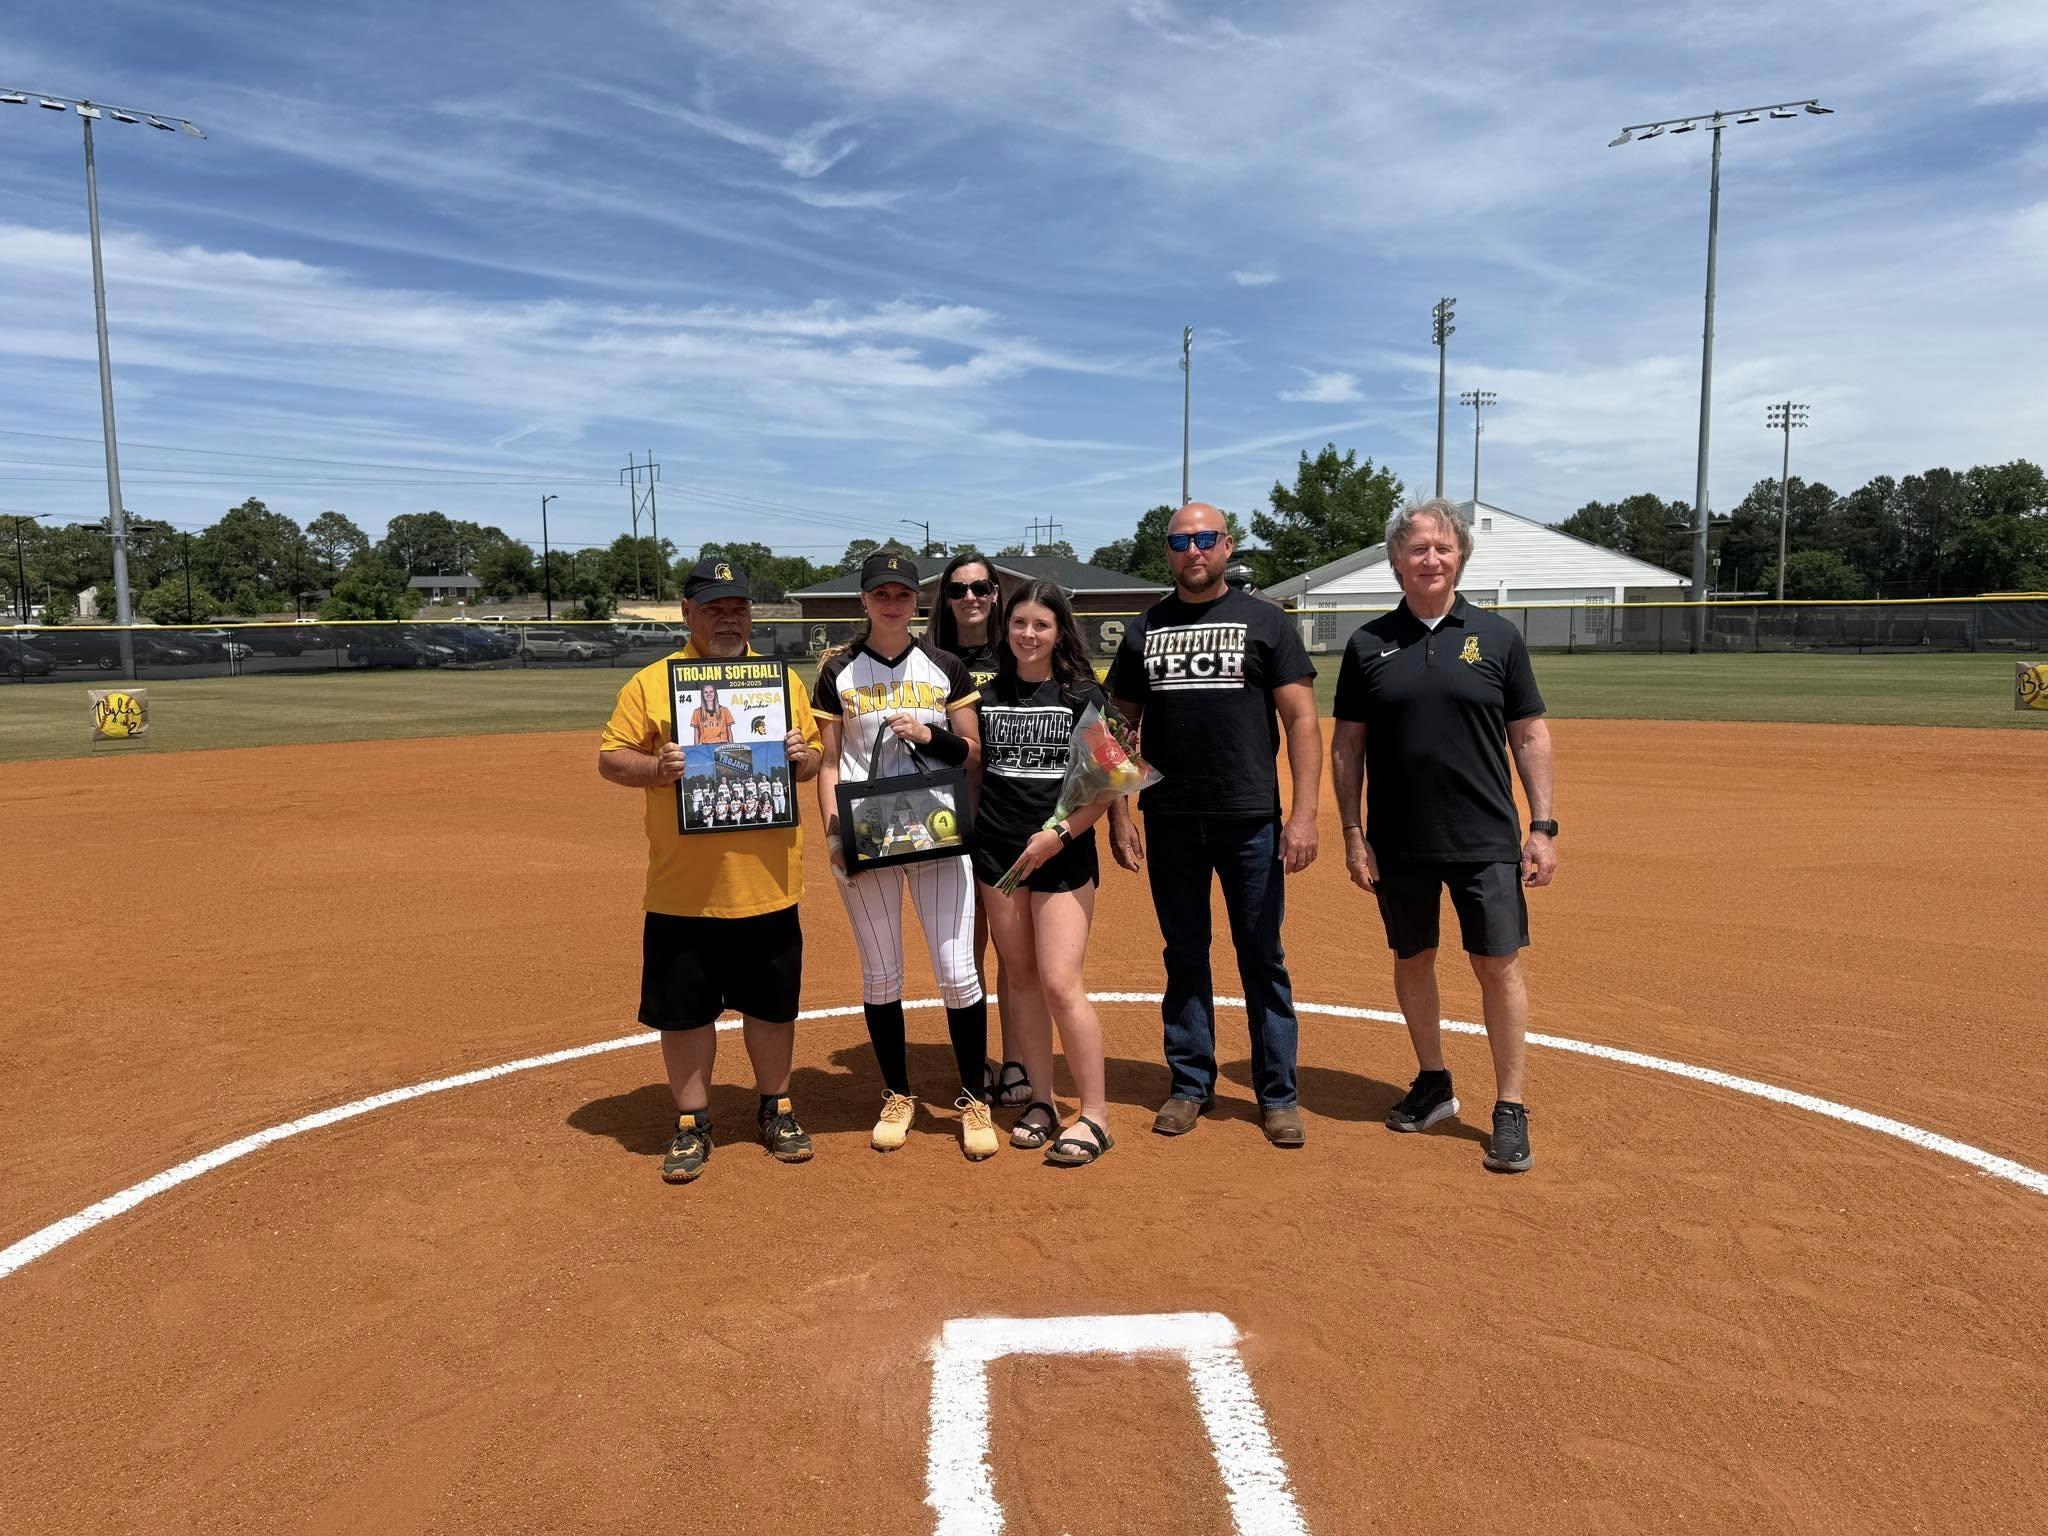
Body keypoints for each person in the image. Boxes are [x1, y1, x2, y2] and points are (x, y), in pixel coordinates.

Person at [1328, 497, 1556, 1173]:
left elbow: (1529, 734)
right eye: (1418, 548)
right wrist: (1351, 831)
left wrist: (1542, 825)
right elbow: (1348, 747)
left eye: (1443, 548)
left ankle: (1510, 1106)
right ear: (1396, 560)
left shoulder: (1499, 638)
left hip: (1485, 835)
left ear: (1460, 557)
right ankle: (1433, 1081)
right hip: (1398, 839)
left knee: (1496, 964)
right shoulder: (1368, 643)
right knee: (1413, 957)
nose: (1431, 558)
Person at [597, 556, 826, 1185]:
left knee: (774, 1007)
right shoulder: (651, 683)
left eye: (739, 606)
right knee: (685, 1011)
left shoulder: (780, 682)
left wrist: (803, 758)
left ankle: (775, 1107)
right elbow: (611, 759)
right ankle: (692, 1119)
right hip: (683, 887)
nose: (729, 617)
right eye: (715, 607)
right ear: (688, 613)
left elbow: (809, 764)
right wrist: (656, 769)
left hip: (768, 879)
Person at [1107, 501, 1320, 1148]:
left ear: (1227, 545)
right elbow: (1115, 727)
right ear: (1167, 552)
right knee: (1184, 955)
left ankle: (1277, 1094)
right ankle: (1190, 1083)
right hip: (1170, 818)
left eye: (1205, 538)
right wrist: (1119, 814)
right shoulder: (1144, 629)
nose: (1193, 550)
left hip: (1249, 817)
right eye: (1180, 541)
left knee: (1262, 956)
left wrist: (1304, 814)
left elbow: (1302, 721)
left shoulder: (1266, 622)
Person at [814, 549, 998, 1160]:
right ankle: (897, 1093)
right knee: (881, 971)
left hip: (938, 833)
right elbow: (828, 761)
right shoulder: (837, 669)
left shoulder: (944, 666)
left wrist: (928, 734)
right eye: (880, 593)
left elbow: (971, 753)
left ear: (916, 600)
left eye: (902, 592)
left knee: (956, 971)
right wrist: (832, 834)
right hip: (867, 834)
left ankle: (973, 1099)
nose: (892, 602)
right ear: (864, 601)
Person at [973, 580, 1126, 1166]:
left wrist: (1058, 834)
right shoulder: (987, 697)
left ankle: (1095, 1116)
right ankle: (1041, 1100)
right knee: (1022, 978)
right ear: (1004, 630)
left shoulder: (1081, 695)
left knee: (1061, 981)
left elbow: (1112, 781)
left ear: (1060, 630)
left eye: (1041, 624)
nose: (1028, 634)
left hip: (1060, 855)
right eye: (1018, 624)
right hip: (1000, 859)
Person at [932, 551, 1030, 1109]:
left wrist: (1117, 815)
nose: (971, 598)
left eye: (982, 588)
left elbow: (1085, 724)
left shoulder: (1019, 649)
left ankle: (1016, 1057)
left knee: (1015, 955)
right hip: (949, 826)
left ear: (997, 593)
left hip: (1013, 823)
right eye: (958, 589)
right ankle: (976, 1062)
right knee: (964, 954)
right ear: (944, 598)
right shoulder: (931, 661)